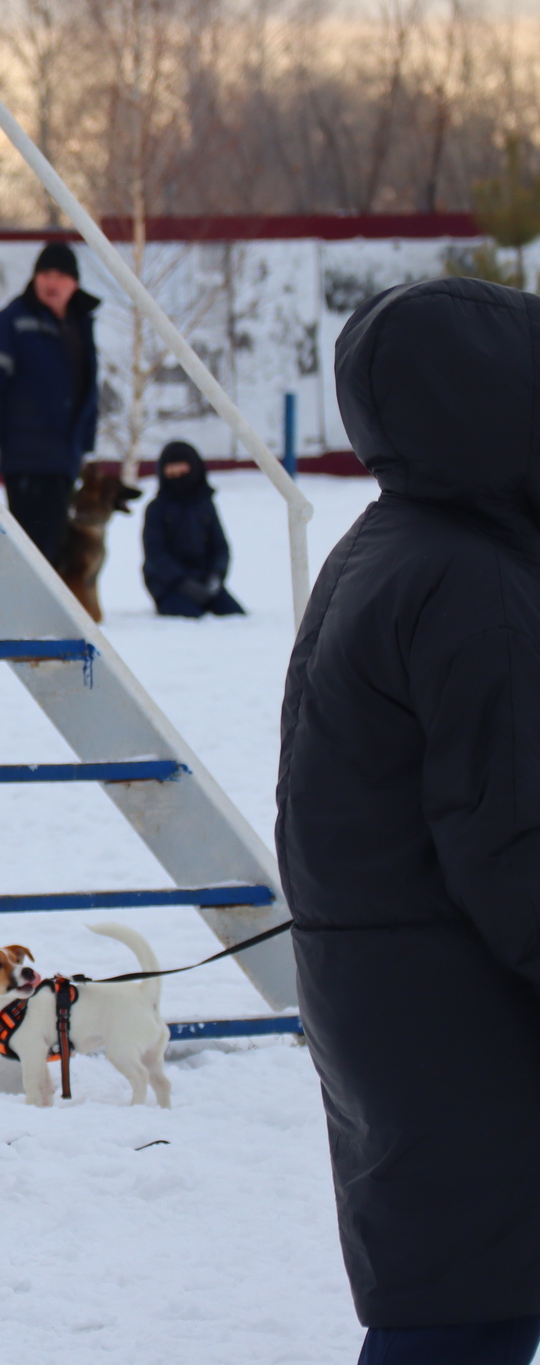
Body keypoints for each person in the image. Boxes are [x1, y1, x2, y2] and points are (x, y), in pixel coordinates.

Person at [277, 277, 540, 1365]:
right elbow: (513, 837)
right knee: (462, 1316)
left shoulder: (393, 545)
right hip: (459, 1008)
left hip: (394, 993)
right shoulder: (468, 579)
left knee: (455, 1295)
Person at [0, 241, 100, 562]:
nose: (51, 282)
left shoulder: (79, 323)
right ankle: (26, 612)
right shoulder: (12, 321)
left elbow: (86, 389)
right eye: (45, 273)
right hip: (25, 460)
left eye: (60, 275)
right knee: (33, 555)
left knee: (55, 552)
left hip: (64, 460)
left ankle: (46, 612)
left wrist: (85, 446)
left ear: (75, 283)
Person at [140, 439, 244, 617]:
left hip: (205, 581)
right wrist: (181, 583)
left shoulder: (205, 504)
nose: (177, 474)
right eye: (171, 469)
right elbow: (155, 554)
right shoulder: (157, 508)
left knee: (234, 615)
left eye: (182, 468)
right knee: (190, 617)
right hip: (169, 586)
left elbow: (220, 546)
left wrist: (216, 576)